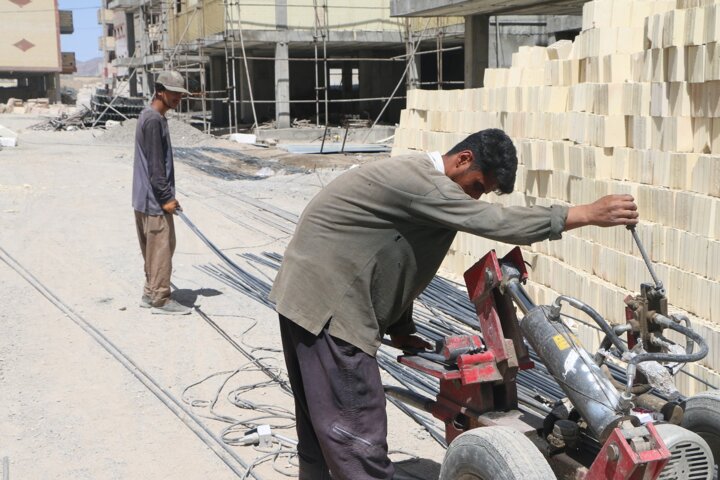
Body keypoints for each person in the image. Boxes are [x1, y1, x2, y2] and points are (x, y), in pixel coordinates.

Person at [269, 129, 639, 480]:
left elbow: (394, 254)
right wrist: (584, 214)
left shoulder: (413, 178)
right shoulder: (423, 184)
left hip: (305, 299)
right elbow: (493, 221)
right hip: (333, 311)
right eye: (478, 186)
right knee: (357, 433)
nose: (475, 198)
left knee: (320, 430)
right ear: (463, 160)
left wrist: (402, 329)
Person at [132, 70, 191, 315]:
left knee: (153, 249)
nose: (178, 97)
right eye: (174, 93)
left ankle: (150, 291)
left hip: (143, 198)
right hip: (154, 200)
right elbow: (157, 167)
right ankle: (160, 299)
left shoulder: (150, 116)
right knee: (162, 249)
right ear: (159, 91)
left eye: (180, 94)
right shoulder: (154, 119)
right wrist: (167, 197)